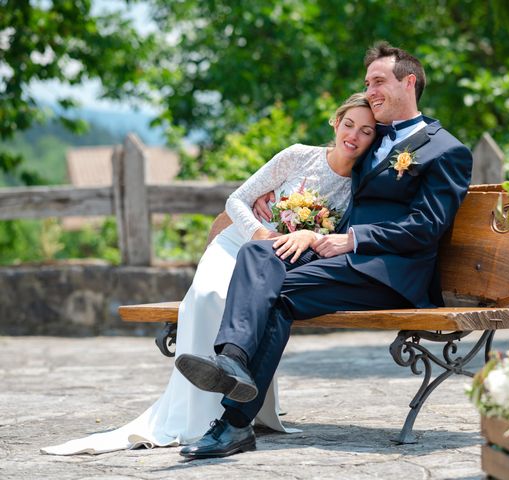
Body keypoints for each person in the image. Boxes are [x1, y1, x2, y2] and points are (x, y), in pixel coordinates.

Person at [175, 41, 473, 459]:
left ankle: (234, 423)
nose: (370, 90)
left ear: (409, 82)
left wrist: (353, 240)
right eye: (367, 83)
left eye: (379, 81)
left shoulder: (447, 150)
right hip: (341, 260)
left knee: (277, 295)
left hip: (389, 273)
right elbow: (332, 167)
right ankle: (232, 362)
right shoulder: (373, 136)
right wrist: (277, 199)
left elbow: (427, 227)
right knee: (259, 254)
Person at [40, 92, 377, 455]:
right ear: (335, 122)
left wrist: (305, 234)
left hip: (276, 261)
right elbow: (237, 200)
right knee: (208, 296)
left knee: (245, 300)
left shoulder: (359, 187)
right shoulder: (298, 156)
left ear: (375, 139)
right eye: (348, 124)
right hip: (237, 243)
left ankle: (229, 410)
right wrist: (259, 232)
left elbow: (331, 240)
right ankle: (202, 405)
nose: (354, 135)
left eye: (366, 131)